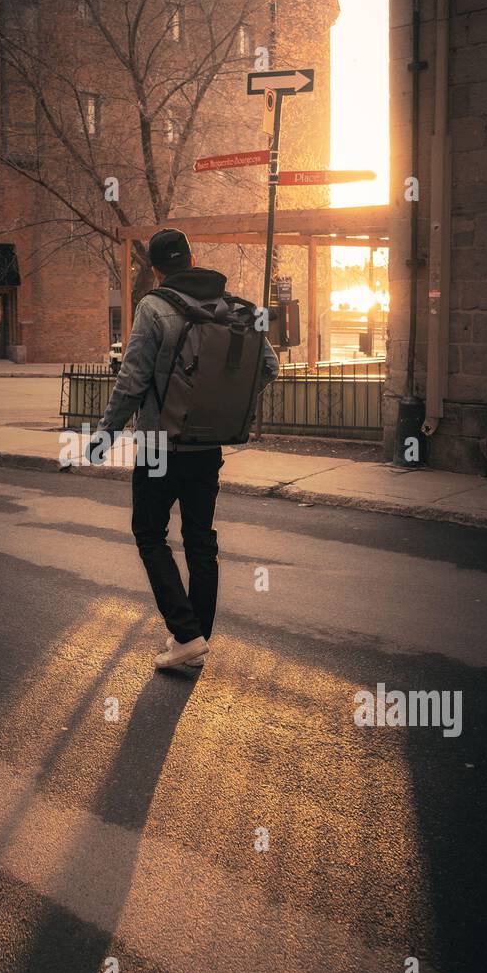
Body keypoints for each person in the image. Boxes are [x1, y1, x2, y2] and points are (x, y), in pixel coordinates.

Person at [91, 229, 278, 672]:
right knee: (200, 539)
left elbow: (132, 380)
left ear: (155, 269)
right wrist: (218, 400)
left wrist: (105, 434)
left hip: (158, 443)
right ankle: (195, 636)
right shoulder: (234, 308)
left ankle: (187, 634)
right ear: (193, 258)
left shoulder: (153, 307)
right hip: (208, 443)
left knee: (150, 534)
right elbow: (268, 367)